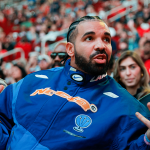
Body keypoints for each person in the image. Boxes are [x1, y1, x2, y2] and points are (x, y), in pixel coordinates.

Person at [0, 16, 150, 150]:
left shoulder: (127, 107)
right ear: (70, 49)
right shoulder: (34, 79)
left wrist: (148, 140)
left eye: (106, 39)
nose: (101, 45)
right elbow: (3, 117)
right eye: (89, 38)